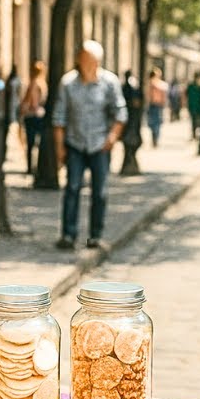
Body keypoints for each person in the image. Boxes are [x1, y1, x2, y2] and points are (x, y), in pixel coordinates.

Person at [53, 40, 126, 250]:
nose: (85, 63)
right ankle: (68, 234)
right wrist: (59, 147)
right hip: (75, 143)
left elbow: (121, 112)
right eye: (82, 58)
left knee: (99, 192)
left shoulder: (109, 82)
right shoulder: (68, 83)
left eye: (90, 59)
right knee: (72, 188)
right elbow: (59, 117)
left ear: (97, 61)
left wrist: (112, 137)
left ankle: (94, 236)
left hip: (99, 144)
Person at [19, 60, 48, 175]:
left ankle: (31, 167)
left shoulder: (34, 83)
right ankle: (32, 167)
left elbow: (32, 101)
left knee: (31, 143)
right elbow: (36, 102)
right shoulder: (40, 83)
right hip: (36, 115)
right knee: (35, 142)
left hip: (32, 115)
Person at [147, 67, 169, 147]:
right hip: (154, 105)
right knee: (154, 123)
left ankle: (155, 139)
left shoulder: (157, 84)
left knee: (155, 123)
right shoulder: (156, 84)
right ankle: (155, 139)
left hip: (157, 105)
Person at [186, 72, 200, 141]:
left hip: (199, 107)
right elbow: (186, 95)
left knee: (199, 121)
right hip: (192, 106)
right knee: (194, 121)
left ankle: (198, 134)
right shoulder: (191, 86)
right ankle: (194, 134)